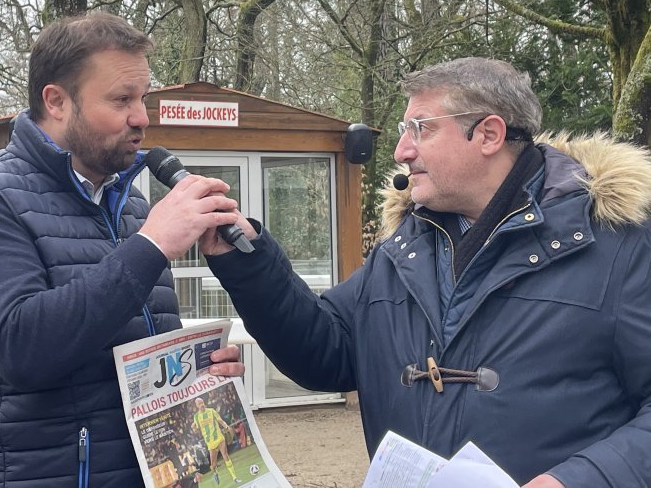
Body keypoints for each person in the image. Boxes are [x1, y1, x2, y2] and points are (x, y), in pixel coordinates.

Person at [201, 57, 651, 488]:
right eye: (404, 130)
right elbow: (327, 353)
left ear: (489, 134)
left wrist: (575, 481)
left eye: (421, 129)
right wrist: (246, 259)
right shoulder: (405, 247)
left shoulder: (621, 244)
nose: (401, 150)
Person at [0, 13, 244, 488]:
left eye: (142, 98)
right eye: (121, 99)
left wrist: (196, 375)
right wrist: (151, 245)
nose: (141, 117)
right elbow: (22, 347)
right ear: (56, 101)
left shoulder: (131, 203)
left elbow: (127, 353)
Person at [191, 397, 242, 484]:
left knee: (226, 456)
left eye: (202, 402)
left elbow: (220, 421)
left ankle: (234, 477)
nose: (202, 404)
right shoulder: (196, 417)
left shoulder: (211, 411)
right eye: (199, 404)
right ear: (197, 406)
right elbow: (196, 430)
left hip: (219, 438)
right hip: (210, 443)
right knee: (213, 465)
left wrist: (226, 427)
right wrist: (193, 429)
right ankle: (215, 473)